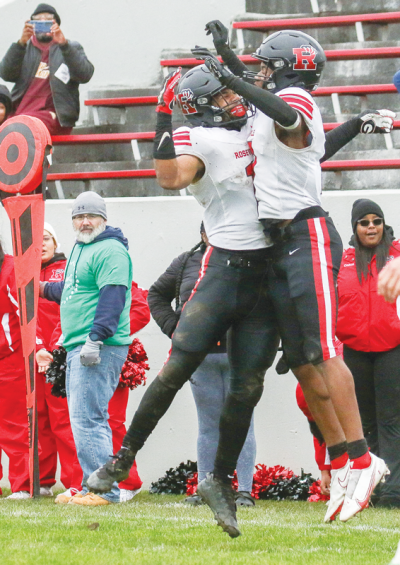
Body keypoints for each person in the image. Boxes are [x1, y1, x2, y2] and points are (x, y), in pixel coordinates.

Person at [198, 22, 394, 524]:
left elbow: (285, 112)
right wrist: (226, 56)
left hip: (306, 235)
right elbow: (314, 148)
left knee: (325, 352)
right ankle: (342, 459)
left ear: (287, 69)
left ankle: (363, 457)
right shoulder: (277, 105)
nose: (258, 72)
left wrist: (234, 78)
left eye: (266, 64)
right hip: (280, 242)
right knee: (305, 363)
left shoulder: (295, 101)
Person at [87, 64, 281, 537]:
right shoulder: (202, 139)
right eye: (222, 98)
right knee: (176, 369)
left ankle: (220, 480)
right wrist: (161, 118)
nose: (234, 102)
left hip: (265, 274)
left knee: (247, 388)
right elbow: (172, 178)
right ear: (201, 108)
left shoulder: (255, 124)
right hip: (225, 266)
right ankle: (122, 458)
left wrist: (231, 65)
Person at [148, 224, 257, 507]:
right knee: (208, 425)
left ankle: (244, 490)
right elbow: (156, 295)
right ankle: (206, 489)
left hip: (238, 357)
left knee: (242, 422)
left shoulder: (250, 259)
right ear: (203, 234)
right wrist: (176, 330)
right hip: (201, 358)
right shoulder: (185, 261)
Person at [40, 191, 133, 505]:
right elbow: (70, 290)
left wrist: (96, 338)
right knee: (84, 419)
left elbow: (113, 297)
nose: (84, 221)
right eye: (78, 216)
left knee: (89, 419)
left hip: (97, 345)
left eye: (90, 215)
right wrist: (39, 288)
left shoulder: (110, 250)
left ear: (103, 219)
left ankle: (103, 491)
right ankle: (89, 484)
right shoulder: (83, 248)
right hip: (78, 344)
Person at [337, 199, 400, 508]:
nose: (371, 226)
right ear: (355, 228)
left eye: (377, 221)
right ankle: (370, 491)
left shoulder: (398, 255)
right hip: (354, 351)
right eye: (364, 222)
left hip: (393, 348)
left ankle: (393, 492)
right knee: (364, 424)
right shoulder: (344, 259)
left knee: (391, 420)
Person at [35, 222, 82, 500]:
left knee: (65, 423)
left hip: (60, 358)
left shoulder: (67, 272)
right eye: (35, 240)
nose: (40, 244)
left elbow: (70, 316)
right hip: (31, 359)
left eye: (46, 238)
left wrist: (52, 350)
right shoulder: (22, 273)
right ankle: (41, 481)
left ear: (55, 243)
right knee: (38, 423)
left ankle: (76, 481)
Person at [0, 3, 94, 135]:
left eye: (48, 20)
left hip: (53, 116)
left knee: (24, 127)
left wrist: (64, 45)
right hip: (19, 112)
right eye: (37, 21)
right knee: (14, 127)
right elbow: (6, 74)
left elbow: (85, 75)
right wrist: (20, 44)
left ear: (56, 24)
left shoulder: (70, 47)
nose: (43, 24)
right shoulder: (24, 48)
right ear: (31, 25)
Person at [0, 239, 31, 499]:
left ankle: (23, 485)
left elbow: (26, 314)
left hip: (9, 360)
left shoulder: (10, 269)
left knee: (14, 425)